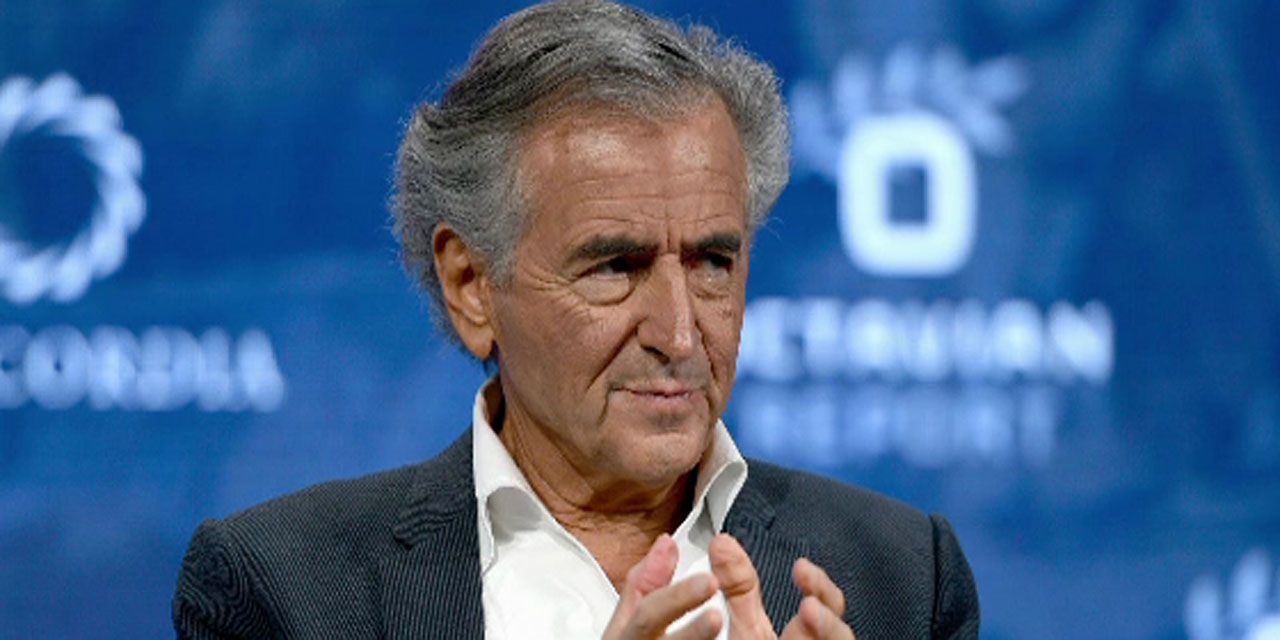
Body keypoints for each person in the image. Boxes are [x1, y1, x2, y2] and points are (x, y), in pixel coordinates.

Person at [172, 1, 980, 638]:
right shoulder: (285, 591)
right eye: (616, 266)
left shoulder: (904, 581)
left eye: (712, 262)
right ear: (470, 285)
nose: (680, 334)